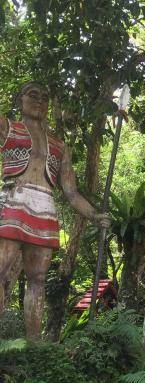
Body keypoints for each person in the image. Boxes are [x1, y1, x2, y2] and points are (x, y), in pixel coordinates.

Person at [0, 82, 110, 339]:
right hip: (12, 201)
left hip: (44, 209)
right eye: (33, 95)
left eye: (45, 97)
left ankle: (34, 347)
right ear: (20, 100)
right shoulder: (9, 128)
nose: (39, 100)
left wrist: (94, 215)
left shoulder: (59, 146)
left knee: (38, 279)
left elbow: (71, 193)